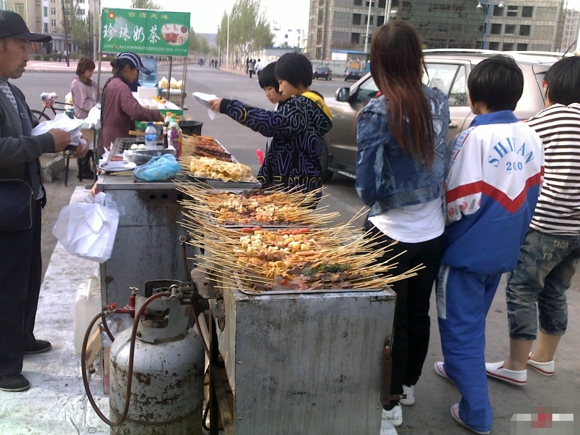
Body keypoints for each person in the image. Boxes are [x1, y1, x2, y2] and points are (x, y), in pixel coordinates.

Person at [433, 55, 544, 434]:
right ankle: (456, 368)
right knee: (473, 317)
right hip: (503, 250)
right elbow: (533, 192)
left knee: (459, 330)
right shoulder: (532, 136)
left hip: (465, 253)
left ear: (475, 97)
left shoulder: (471, 137)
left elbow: (457, 201)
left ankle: (476, 413)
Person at [354, 21, 450, 435]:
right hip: (433, 232)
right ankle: (407, 385)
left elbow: (366, 187)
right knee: (417, 312)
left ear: (379, 62)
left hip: (389, 234)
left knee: (386, 322)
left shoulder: (377, 111)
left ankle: (388, 406)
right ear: (416, 58)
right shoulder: (439, 102)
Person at [0, 10, 88, 392]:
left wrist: (64, 139)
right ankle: (4, 366)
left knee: (26, 277)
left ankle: (21, 338)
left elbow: (28, 134)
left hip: (26, 201)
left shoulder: (12, 90)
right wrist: (42, 143)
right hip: (5, 205)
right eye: (21, 46)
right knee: (5, 284)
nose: (26, 55)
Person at [485, 56, 580, 386]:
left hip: (545, 226)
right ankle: (544, 357)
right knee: (555, 290)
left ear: (548, 87)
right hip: (577, 232)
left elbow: (518, 146)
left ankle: (514, 364)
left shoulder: (549, 119)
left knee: (522, 290)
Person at [209, 52, 332, 201]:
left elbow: (269, 123)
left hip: (292, 191)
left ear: (295, 79)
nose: (279, 89)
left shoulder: (300, 106)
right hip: (303, 188)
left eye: (280, 82)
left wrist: (229, 106)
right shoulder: (313, 104)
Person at [100, 52, 163, 151]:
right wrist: (158, 116)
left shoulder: (111, 82)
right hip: (115, 140)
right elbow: (135, 111)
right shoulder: (121, 87)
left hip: (109, 137)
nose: (138, 75)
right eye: (137, 71)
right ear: (127, 68)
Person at [70, 57, 98, 180]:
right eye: (89, 70)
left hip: (92, 119)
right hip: (82, 119)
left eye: (92, 70)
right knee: (84, 145)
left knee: (91, 146)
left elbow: (98, 95)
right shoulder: (77, 83)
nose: (91, 73)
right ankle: (83, 170)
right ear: (82, 70)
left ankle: (88, 168)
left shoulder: (91, 83)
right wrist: (96, 106)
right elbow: (83, 103)